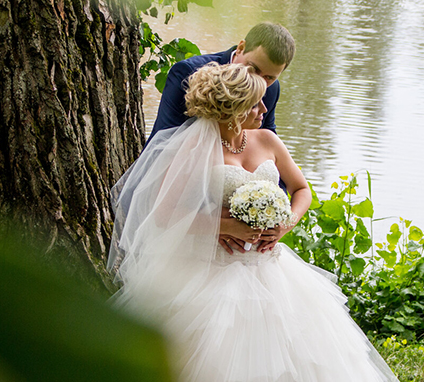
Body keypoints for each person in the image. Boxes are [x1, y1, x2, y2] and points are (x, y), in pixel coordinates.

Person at [108, 64, 399, 382]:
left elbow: (302, 190)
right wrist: (224, 227)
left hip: (270, 265)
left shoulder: (267, 140)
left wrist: (285, 224)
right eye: (255, 103)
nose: (264, 109)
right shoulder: (194, 147)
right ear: (231, 108)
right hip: (212, 266)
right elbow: (164, 213)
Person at [147, 22, 295, 143]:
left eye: (269, 77)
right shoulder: (188, 73)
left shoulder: (272, 88)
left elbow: (268, 141)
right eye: (254, 68)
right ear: (241, 48)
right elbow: (164, 139)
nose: (260, 80)